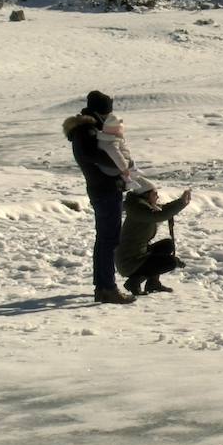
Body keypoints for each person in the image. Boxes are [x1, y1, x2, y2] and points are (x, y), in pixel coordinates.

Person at [63, 90, 135, 304]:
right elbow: (93, 155)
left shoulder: (86, 129)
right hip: (104, 190)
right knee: (108, 240)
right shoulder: (87, 130)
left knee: (105, 239)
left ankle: (103, 286)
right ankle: (106, 288)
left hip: (103, 188)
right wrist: (121, 163)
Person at [116, 178, 191, 295]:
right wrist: (181, 203)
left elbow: (162, 210)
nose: (157, 197)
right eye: (154, 194)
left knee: (167, 245)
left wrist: (181, 202)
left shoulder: (140, 205)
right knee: (170, 262)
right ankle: (134, 282)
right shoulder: (139, 209)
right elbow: (159, 215)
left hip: (137, 254)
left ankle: (153, 283)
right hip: (129, 262)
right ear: (145, 195)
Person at [96, 114, 143, 191]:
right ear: (117, 130)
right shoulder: (110, 142)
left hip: (109, 166)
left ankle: (131, 175)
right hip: (111, 168)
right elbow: (116, 156)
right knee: (127, 161)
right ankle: (131, 175)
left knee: (126, 159)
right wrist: (124, 168)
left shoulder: (107, 138)